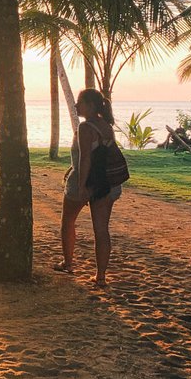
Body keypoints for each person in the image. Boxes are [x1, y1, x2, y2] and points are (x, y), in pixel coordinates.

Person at [56, 88, 122, 287]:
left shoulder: (85, 128)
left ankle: (68, 263)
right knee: (101, 230)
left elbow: (85, 159)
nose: (76, 106)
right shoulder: (106, 126)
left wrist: (82, 186)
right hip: (106, 184)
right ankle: (100, 276)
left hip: (86, 182)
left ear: (91, 105)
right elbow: (98, 155)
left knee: (67, 222)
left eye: (80, 102)